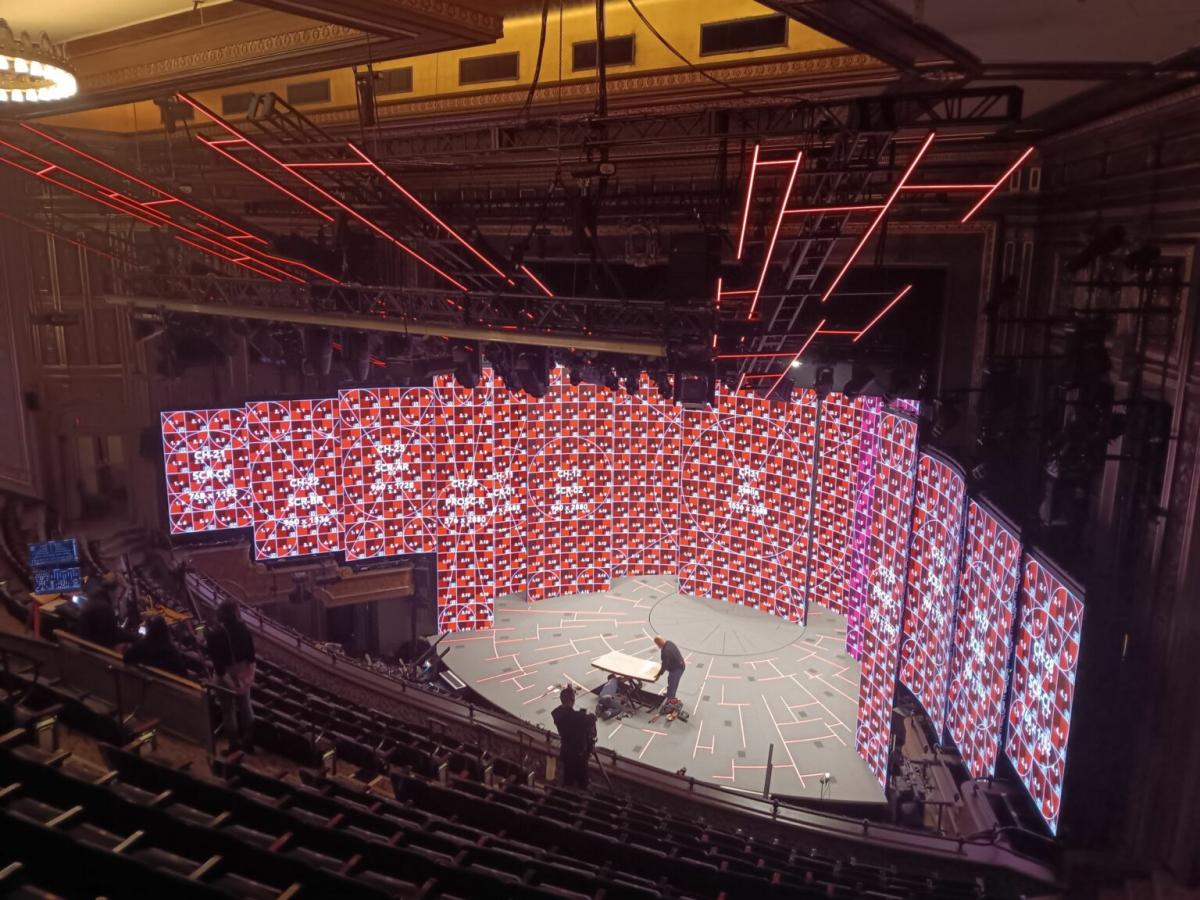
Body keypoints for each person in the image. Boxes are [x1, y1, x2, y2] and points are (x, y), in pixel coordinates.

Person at [205, 599, 257, 753]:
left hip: (225, 675)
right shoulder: (244, 628)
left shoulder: (214, 635)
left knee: (228, 711)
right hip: (243, 671)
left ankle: (234, 746)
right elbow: (252, 657)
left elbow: (218, 666)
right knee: (246, 707)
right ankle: (249, 743)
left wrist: (232, 685)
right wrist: (249, 678)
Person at [550, 687, 594, 789]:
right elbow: (591, 720)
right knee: (583, 784)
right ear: (572, 700)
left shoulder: (556, 714)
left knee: (567, 781)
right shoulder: (578, 717)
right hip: (579, 756)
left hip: (565, 752)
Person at [123, 615, 188, 678]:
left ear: (148, 629)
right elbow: (183, 672)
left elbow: (127, 658)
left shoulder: (142, 646)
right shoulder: (171, 651)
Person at [78, 576, 132, 649]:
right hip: (93, 651)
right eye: (122, 591)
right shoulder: (104, 608)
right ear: (114, 590)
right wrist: (133, 638)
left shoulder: (96, 599)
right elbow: (111, 635)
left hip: (86, 647)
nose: (120, 596)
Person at [654, 636, 686, 704]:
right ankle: (669, 694)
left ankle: (670, 703)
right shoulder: (669, 642)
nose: (657, 646)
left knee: (672, 685)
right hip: (676, 665)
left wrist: (658, 674)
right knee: (670, 680)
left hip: (677, 669)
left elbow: (664, 665)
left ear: (659, 642)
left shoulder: (666, 651)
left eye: (657, 644)